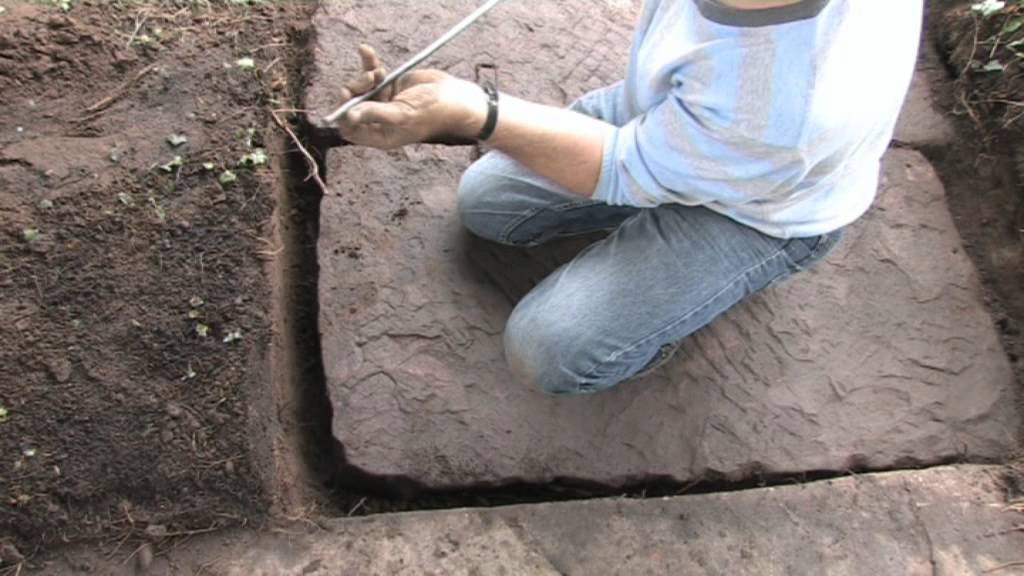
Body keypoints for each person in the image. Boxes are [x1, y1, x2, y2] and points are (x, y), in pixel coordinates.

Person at [335, 0, 923, 395]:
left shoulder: (781, 102)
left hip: (759, 211)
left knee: (550, 353)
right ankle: (665, 211)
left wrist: (474, 113)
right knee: (487, 202)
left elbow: (624, 165)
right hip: (676, 114)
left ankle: (657, 321)